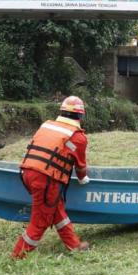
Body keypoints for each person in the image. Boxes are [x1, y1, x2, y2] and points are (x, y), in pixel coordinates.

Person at [11, 96, 91, 259]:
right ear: (80, 116)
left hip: (27, 173)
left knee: (57, 210)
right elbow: (80, 166)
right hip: (46, 179)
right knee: (40, 220)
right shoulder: (77, 137)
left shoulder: (47, 125)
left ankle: (74, 246)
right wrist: (82, 179)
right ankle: (17, 256)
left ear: (61, 111)